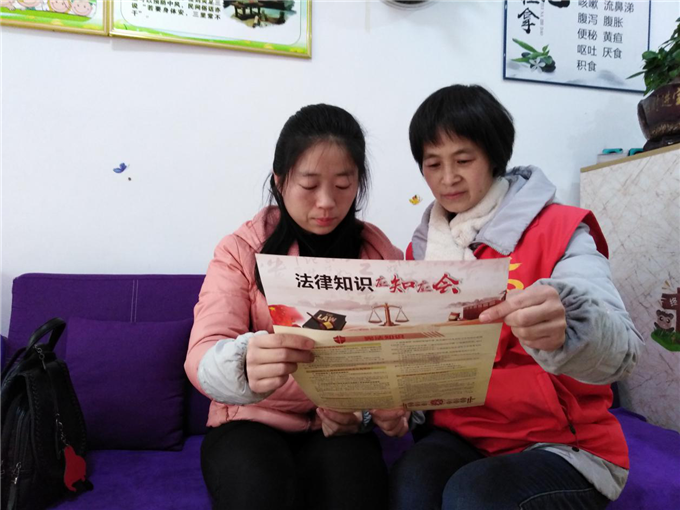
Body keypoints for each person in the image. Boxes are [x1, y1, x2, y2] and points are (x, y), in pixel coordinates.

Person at [390, 84, 642, 510]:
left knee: (473, 496)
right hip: (461, 433)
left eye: (463, 160)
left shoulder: (560, 230)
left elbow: (623, 352)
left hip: (560, 444)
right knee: (410, 487)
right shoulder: (422, 252)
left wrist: (569, 327)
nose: (447, 178)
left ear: (494, 156)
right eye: (433, 164)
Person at [184, 104, 403, 510]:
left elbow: (396, 360)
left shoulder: (380, 255)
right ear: (280, 180)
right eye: (309, 184)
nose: (326, 202)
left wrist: (366, 415)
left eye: (343, 184)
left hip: (337, 428)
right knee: (258, 495)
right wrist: (242, 363)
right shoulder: (241, 250)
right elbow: (202, 352)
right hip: (249, 421)